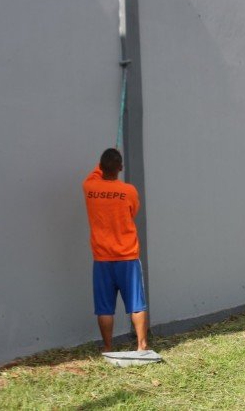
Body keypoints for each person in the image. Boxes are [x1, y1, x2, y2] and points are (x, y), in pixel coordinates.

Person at [83, 148, 148, 353]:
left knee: (104, 308)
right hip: (127, 257)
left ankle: (108, 346)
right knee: (136, 304)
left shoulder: (89, 187)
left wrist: (101, 165)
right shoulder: (129, 191)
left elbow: (94, 174)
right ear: (120, 168)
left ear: (100, 167)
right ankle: (141, 345)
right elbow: (133, 211)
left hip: (102, 258)